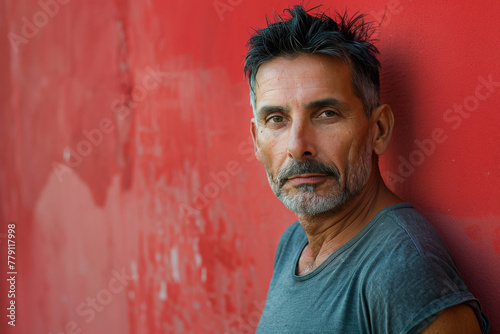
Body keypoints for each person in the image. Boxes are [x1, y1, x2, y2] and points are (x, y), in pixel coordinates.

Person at [244, 5, 489, 333]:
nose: (297, 145)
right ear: (257, 140)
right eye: (276, 119)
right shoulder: (293, 243)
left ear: (379, 130)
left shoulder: (403, 270)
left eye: (326, 113)